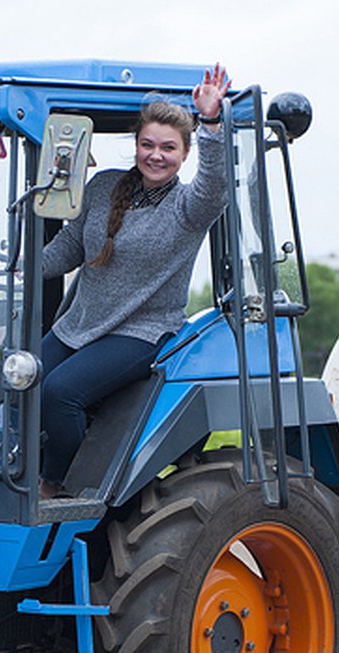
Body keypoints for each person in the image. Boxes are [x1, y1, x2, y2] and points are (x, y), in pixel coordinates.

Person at [39, 64, 231, 498]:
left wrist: (212, 121)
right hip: (81, 324)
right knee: (21, 382)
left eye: (168, 147)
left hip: (138, 332)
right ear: (136, 146)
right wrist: (22, 266)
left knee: (59, 393)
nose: (156, 155)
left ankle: (61, 487)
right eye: (148, 145)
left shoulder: (189, 207)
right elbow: (71, 246)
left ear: (184, 153)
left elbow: (216, 183)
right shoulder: (105, 186)